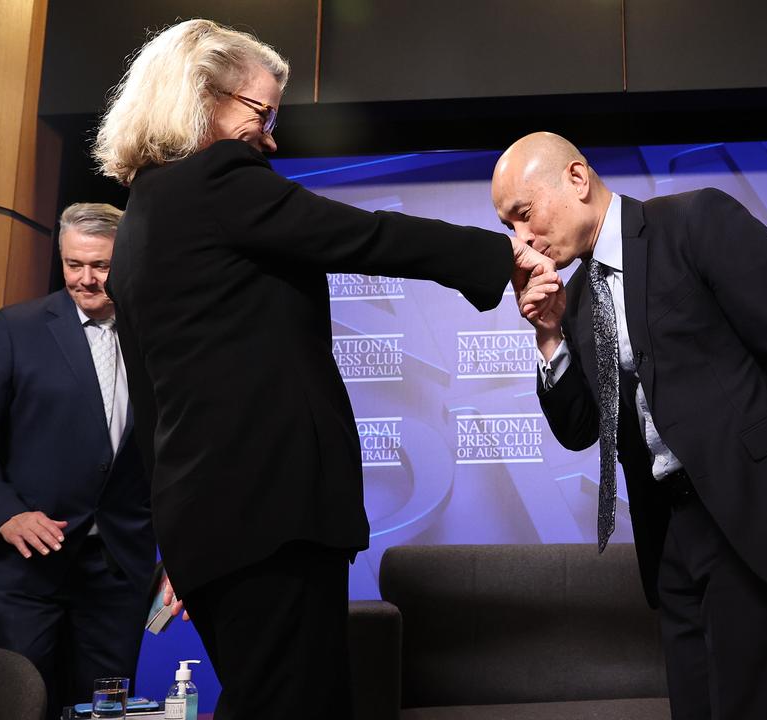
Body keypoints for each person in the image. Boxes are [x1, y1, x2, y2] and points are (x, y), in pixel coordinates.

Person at [93, 19, 551, 720]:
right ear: (203, 96)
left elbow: (152, 407)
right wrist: (500, 259)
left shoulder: (143, 218)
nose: (272, 137)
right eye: (262, 112)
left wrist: (182, 538)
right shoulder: (218, 181)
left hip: (211, 528)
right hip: (269, 514)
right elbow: (360, 235)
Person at [495, 132, 767, 720]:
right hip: (670, 536)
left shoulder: (697, 221)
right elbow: (579, 428)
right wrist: (548, 333)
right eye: (510, 228)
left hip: (753, 518)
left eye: (524, 215)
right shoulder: (573, 300)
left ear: (576, 179)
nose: (522, 240)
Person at [0, 203, 155, 719]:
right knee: (16, 706)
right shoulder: (17, 329)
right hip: (22, 572)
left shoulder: (159, 338)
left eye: (100, 266)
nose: (85, 279)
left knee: (104, 712)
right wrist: (7, 513)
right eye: (73, 264)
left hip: (116, 574)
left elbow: (176, 453)